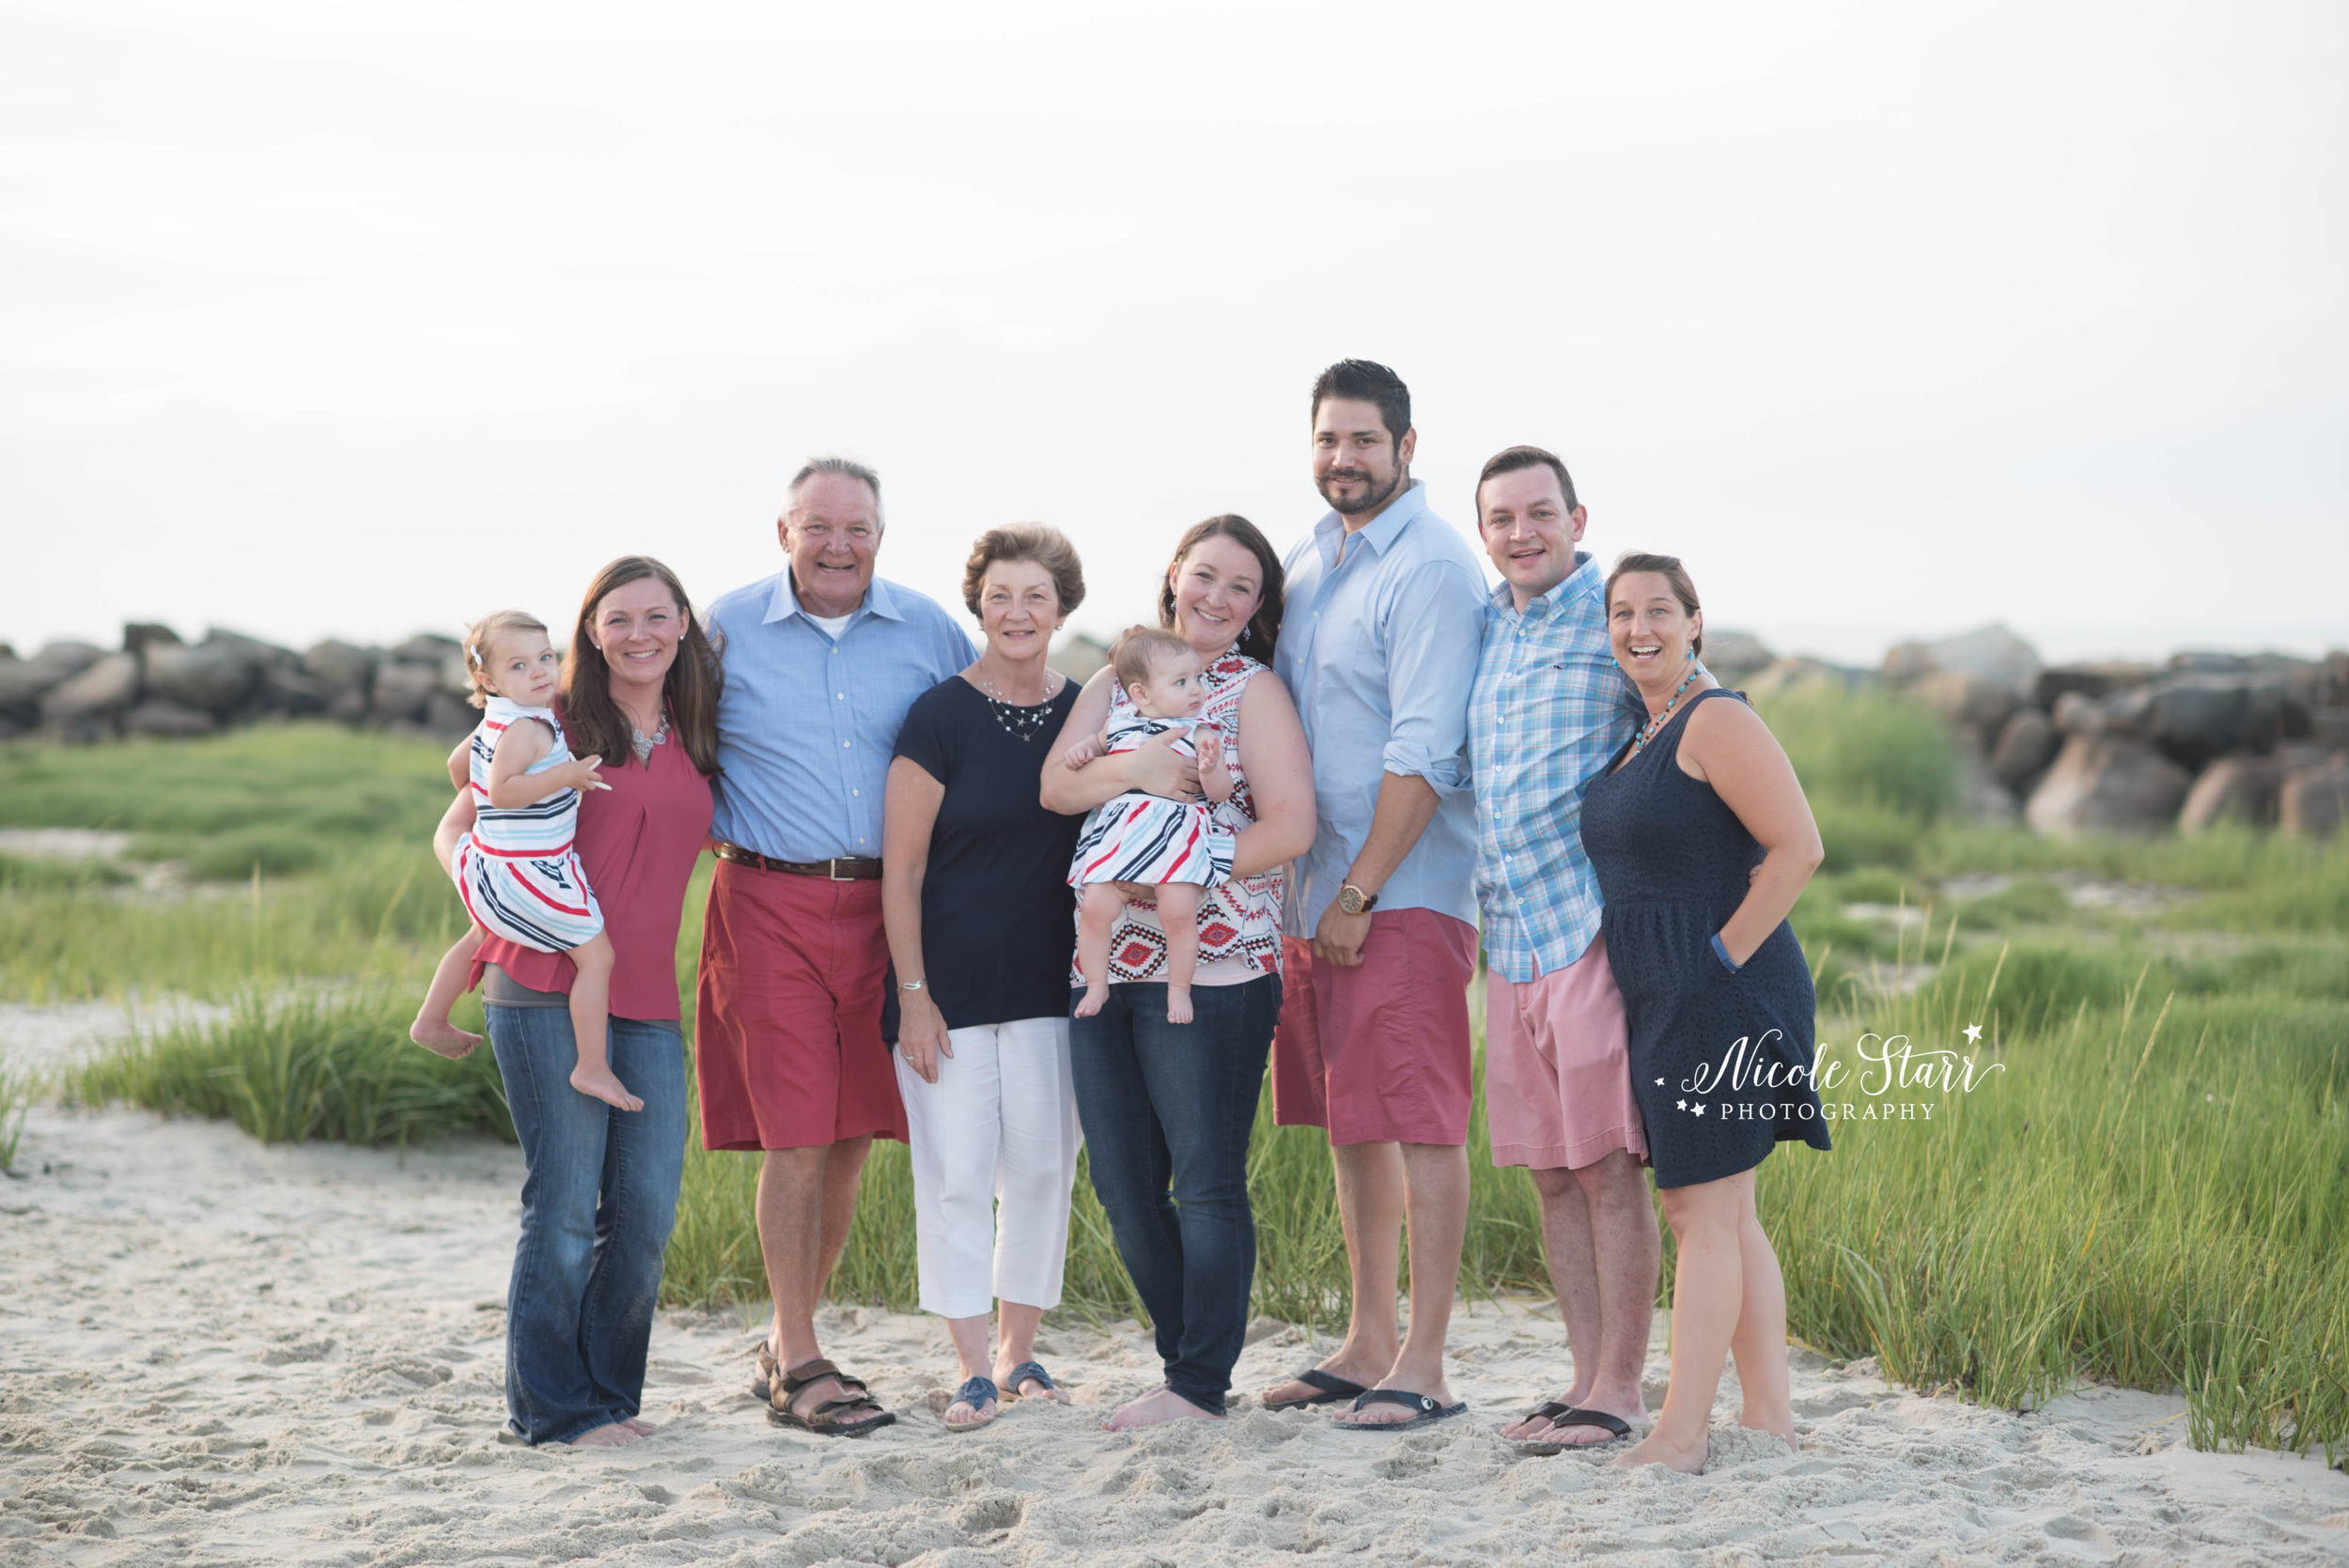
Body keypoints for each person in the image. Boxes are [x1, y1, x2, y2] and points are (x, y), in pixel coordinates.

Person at [698, 457, 974, 1438]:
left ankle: (786, 1339)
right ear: (784, 533)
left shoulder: (930, 629)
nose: (837, 546)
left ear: (881, 536)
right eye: (817, 527)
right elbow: (652, 735)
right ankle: (802, 1356)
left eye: (855, 528)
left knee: (853, 1131)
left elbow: (985, 737)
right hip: (766, 897)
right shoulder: (720, 630)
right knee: (796, 1132)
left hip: (891, 909)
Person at [1039, 514, 1315, 1429]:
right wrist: (1139, 766)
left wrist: (1177, 866)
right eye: (1205, 576)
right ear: (1172, 576)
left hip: (1219, 964)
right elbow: (1056, 788)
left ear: (1257, 607)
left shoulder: (1251, 692)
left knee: (1203, 1180)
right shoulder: (1118, 680)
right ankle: (1185, 1361)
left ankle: (1197, 1382)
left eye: (1241, 587)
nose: (1217, 597)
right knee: (1121, 1183)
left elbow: (1287, 830)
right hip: (1103, 964)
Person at [1259, 360, 1488, 1432]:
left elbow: (1423, 752)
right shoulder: (1310, 562)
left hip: (1397, 893)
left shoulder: (1433, 569)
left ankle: (1428, 1361)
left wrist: (1357, 890)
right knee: (1356, 1120)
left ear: (1406, 446)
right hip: (1316, 898)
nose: (1343, 458)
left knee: (1422, 1119)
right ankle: (1366, 1341)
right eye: (1327, 440)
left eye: (1363, 440)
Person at [1578, 551, 1832, 1473]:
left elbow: (1797, 846)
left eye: (1657, 610)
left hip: (1721, 990)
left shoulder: (1713, 717)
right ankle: (1767, 1419)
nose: (1637, 628)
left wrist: (1716, 959)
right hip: (1667, 992)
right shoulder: (1641, 733)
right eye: (1620, 614)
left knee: (1696, 1211)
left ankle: (1679, 1434)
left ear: (1693, 622)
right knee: (1730, 1211)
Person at [467, 557, 721, 1448]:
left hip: (648, 994)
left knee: (645, 1219)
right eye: (619, 619)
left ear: (683, 624)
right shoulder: (552, 715)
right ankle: (551, 1411)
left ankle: (610, 1398)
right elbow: (468, 794)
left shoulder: (699, 724)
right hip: (542, 987)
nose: (639, 634)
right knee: (567, 1209)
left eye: (657, 616)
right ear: (591, 631)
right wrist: (476, 885)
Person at [1465, 447, 1663, 1452]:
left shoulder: (1612, 619)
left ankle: (1621, 1390)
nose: (1520, 531)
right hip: (1508, 942)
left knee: (1607, 1168)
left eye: (1539, 512)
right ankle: (1582, 1379)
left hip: (1587, 932)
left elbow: (1701, 715)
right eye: (1501, 518)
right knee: (1548, 1172)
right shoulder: (1485, 628)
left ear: (1576, 518)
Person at [880, 524, 1089, 1433]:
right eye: (1001, 595)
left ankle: (1020, 1354)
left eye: (1035, 596)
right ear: (979, 605)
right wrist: (914, 998)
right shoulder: (939, 715)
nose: (1017, 612)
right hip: (950, 995)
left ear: (1061, 607)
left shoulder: (1088, 712)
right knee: (960, 1176)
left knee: (1043, 1171)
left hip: (1056, 990)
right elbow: (902, 871)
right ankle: (970, 1367)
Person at [412, 612, 636, 1113]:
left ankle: (431, 1019)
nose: (539, 672)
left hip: (497, 859)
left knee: (480, 934)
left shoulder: (498, 717)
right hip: (528, 868)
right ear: (488, 680)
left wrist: (489, 804)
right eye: (519, 665)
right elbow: (504, 791)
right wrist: (567, 776)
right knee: (597, 959)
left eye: (546, 658)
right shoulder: (528, 727)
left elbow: (459, 766)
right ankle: (591, 1066)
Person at [1066, 627, 1237, 1024]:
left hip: (1175, 835)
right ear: (1141, 694)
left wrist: (1212, 770)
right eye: (1181, 681)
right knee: (1095, 907)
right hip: (1122, 835)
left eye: (1199, 678)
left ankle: (1179, 990)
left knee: (1178, 911)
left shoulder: (1202, 730)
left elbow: (1221, 793)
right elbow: (1095, 747)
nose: (1196, 689)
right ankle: (1096, 983)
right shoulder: (1119, 722)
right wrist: (1082, 751)